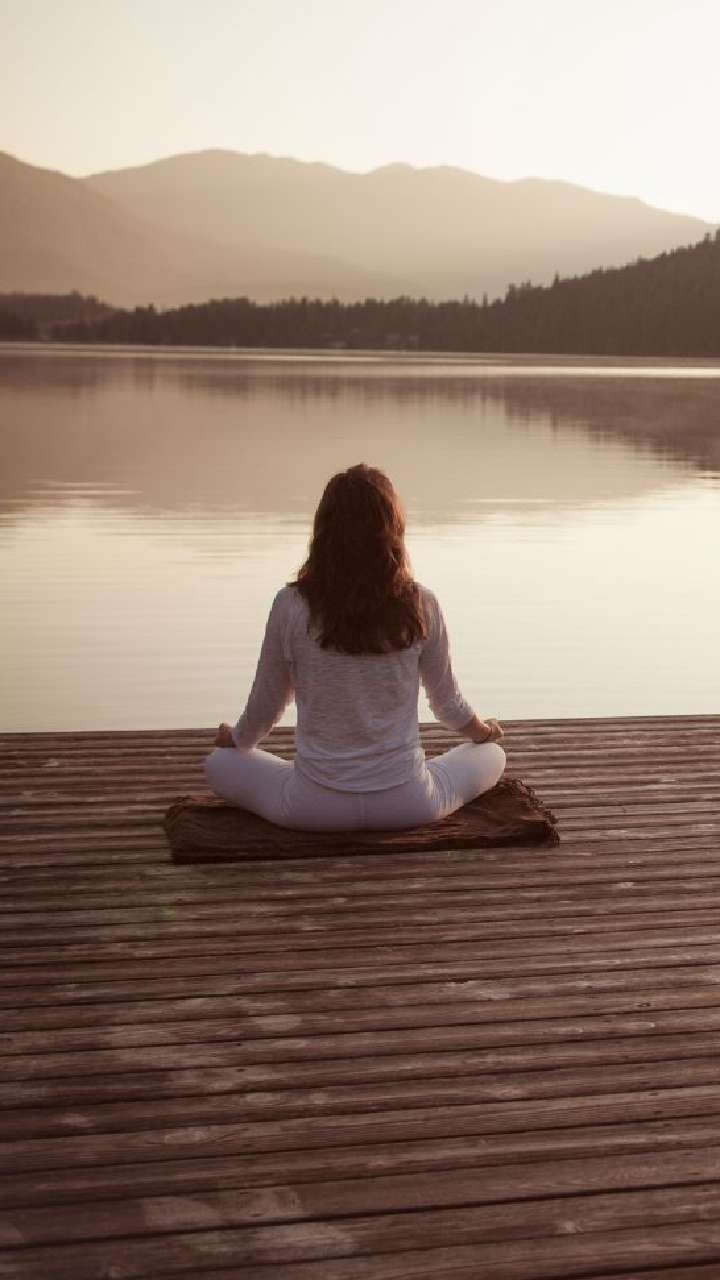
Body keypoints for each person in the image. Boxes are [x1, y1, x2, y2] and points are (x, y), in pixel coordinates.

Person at [204, 464, 506, 832]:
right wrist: (483, 733)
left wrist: (236, 740)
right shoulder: (421, 603)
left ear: (324, 531)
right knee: (492, 755)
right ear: (392, 531)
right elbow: (447, 704)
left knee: (219, 764)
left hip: (313, 808)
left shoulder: (291, 604)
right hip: (409, 803)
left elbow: (267, 704)